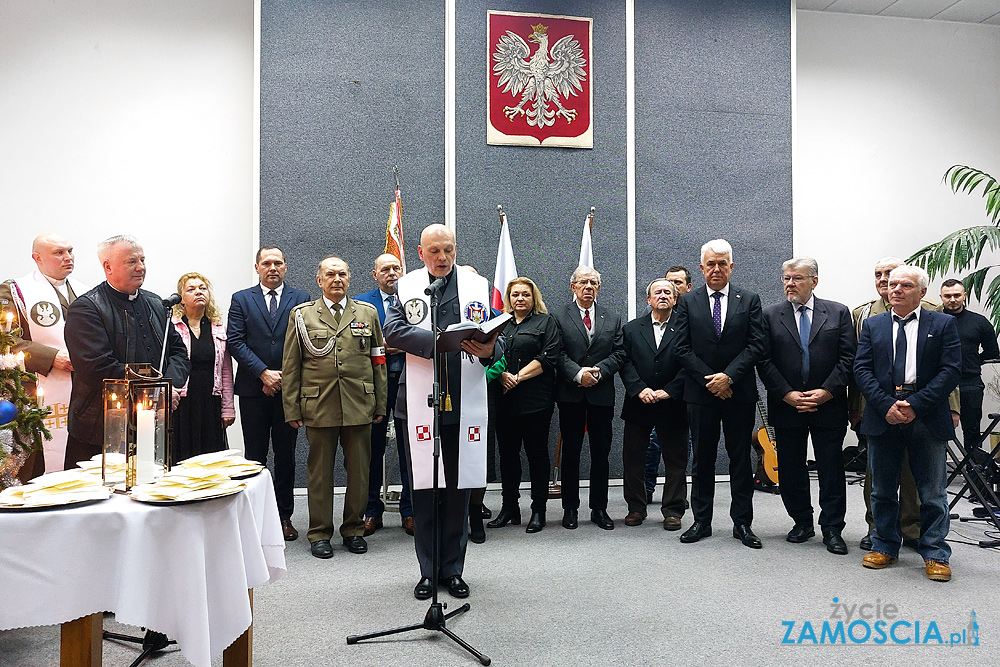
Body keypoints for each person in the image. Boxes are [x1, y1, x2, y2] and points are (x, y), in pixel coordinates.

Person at [383, 224, 502, 601]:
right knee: (424, 492)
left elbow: (497, 339)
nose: (442, 258)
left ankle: (453, 569)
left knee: (457, 491)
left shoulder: (477, 287)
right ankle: (427, 571)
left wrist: (491, 353)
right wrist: (437, 341)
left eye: (448, 250)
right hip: (418, 405)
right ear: (420, 252)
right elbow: (392, 331)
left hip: (464, 403)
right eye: (434, 251)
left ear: (455, 249)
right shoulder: (407, 287)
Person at [855, 265, 960, 582]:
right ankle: (885, 545)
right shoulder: (873, 325)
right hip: (883, 414)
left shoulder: (942, 324)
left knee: (932, 492)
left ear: (922, 292)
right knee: (883, 490)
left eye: (905, 285)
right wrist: (886, 405)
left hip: (926, 415)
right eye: (892, 284)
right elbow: (861, 370)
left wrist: (914, 404)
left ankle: (935, 552)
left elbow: (950, 370)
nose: (895, 289)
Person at [282, 256, 387, 559]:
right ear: (319, 281)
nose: (337, 279)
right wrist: (292, 408)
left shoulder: (367, 314)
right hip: (319, 404)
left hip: (359, 403)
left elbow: (378, 361)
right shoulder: (302, 315)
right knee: (319, 473)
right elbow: (291, 365)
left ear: (350, 279)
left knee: (359, 472)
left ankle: (353, 529)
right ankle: (319, 533)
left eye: (342, 274)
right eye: (330, 274)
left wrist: (380, 401)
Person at [757, 258, 855, 555]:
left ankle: (832, 528)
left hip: (828, 405)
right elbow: (763, 360)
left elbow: (848, 358)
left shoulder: (838, 313)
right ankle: (801, 522)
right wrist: (786, 393)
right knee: (790, 467)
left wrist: (826, 391)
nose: (790, 284)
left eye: (797, 279)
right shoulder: (770, 315)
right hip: (787, 405)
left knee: (830, 468)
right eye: (786, 278)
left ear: (814, 280)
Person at [64, 235, 189, 467]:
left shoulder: (155, 304)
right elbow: (97, 367)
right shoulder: (86, 308)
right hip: (100, 427)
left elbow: (178, 352)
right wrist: (155, 389)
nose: (141, 267)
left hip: (152, 423)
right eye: (132, 262)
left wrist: (167, 388)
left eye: (142, 260)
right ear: (108, 266)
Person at [674, 239, 766, 548]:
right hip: (701, 395)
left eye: (722, 263)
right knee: (702, 459)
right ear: (701, 268)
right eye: (710, 264)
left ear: (731, 266)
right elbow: (681, 348)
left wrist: (728, 377)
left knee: (740, 459)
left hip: (738, 394)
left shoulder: (749, 299)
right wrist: (710, 380)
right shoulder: (687, 301)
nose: (716, 269)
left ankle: (742, 523)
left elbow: (756, 345)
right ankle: (702, 521)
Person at [227, 247, 311, 542]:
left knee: (287, 456)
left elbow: (306, 343)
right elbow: (235, 342)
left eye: (278, 263)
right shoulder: (241, 299)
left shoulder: (301, 299)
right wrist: (263, 372)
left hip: (289, 392)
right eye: (267, 263)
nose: (272, 268)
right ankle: (254, 517)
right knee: (255, 457)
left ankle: (283, 516)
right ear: (257, 267)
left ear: (286, 267)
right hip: (253, 390)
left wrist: (282, 378)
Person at [0, 233, 86, 478]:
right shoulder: (15, 291)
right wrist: (50, 357)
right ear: (37, 258)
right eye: (59, 253)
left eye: (70, 251)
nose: (67, 257)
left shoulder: (85, 292)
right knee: (37, 466)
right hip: (35, 392)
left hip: (82, 394)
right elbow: (5, 340)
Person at [552, 266, 625, 530]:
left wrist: (600, 372)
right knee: (571, 453)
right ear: (573, 287)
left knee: (601, 454)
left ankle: (599, 508)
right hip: (571, 394)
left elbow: (619, 353)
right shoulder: (559, 316)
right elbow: (556, 352)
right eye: (583, 282)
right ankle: (570, 508)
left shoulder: (613, 317)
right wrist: (578, 373)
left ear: (599, 287)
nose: (588, 287)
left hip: (601, 394)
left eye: (593, 282)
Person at [489, 277, 560, 533]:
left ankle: (538, 510)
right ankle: (510, 508)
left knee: (537, 456)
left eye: (525, 295)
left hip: (535, 401)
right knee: (508, 456)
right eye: (515, 294)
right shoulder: (499, 324)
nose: (520, 299)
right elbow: (487, 355)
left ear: (534, 298)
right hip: (504, 400)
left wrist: (517, 377)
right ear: (509, 298)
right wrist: (501, 375)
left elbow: (548, 357)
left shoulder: (546, 322)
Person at [354, 253, 415, 536]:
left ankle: (410, 511)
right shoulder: (361, 303)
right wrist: (386, 344)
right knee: (372, 449)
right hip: (373, 384)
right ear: (374, 274)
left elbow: (422, 337)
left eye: (396, 268)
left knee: (410, 449)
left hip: (409, 380)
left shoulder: (417, 299)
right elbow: (357, 343)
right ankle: (371, 510)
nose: (391, 273)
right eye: (385, 269)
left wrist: (398, 344)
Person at [620, 279, 687, 530]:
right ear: (648, 299)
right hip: (639, 403)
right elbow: (624, 362)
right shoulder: (631, 329)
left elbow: (691, 363)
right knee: (633, 459)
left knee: (676, 461)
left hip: (673, 403)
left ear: (675, 299)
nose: (663, 295)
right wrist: (640, 389)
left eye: (668, 292)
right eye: (657, 292)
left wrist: (669, 391)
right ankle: (636, 508)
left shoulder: (686, 327)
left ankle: (673, 510)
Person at [170, 272, 235, 464]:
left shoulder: (217, 326)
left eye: (202, 288)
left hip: (210, 401)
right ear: (181, 299)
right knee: (181, 457)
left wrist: (228, 408)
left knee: (210, 459)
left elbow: (225, 369)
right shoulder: (172, 326)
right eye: (191, 289)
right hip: (181, 401)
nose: (198, 292)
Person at [644, 265, 693, 502]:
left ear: (686, 288)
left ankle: (678, 495)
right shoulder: (649, 319)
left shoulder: (693, 315)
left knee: (683, 447)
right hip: (652, 396)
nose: (668, 290)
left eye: (677, 284)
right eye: (666, 284)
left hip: (684, 394)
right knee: (652, 444)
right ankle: (647, 487)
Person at [939, 278, 999, 450]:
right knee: (934, 432)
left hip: (969, 383)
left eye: (957, 295)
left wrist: (972, 362)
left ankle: (973, 473)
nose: (952, 299)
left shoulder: (979, 322)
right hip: (938, 384)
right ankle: (937, 475)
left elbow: (993, 352)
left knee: (972, 432)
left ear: (964, 296)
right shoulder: (931, 322)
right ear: (941, 297)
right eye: (948, 296)